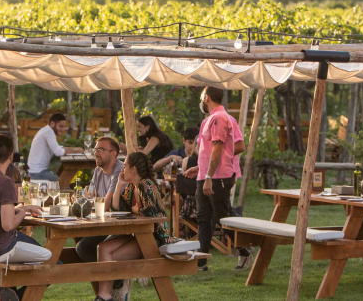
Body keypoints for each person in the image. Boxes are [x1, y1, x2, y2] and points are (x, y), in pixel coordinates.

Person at [94, 152, 178, 301]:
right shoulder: (131, 187)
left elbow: (152, 212)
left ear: (133, 169)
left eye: (125, 166)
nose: (122, 169)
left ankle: (108, 294)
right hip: (137, 234)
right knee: (103, 248)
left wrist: (135, 210)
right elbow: (117, 208)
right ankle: (104, 295)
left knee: (111, 257)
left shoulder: (147, 184)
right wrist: (119, 183)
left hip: (153, 238)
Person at [0, 133, 48, 301]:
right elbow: (8, 225)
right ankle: (11, 290)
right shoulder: (5, 182)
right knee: (51, 263)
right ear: (11, 155)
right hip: (2, 247)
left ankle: (9, 288)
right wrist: (23, 213)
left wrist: (21, 207)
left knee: (38, 258)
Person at [194, 86, 252, 272]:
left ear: (207, 98)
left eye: (202, 97)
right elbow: (207, 151)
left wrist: (211, 173)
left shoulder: (221, 118)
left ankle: (244, 250)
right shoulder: (208, 120)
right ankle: (201, 263)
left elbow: (220, 149)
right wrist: (199, 168)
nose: (201, 101)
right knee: (203, 218)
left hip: (217, 177)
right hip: (205, 175)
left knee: (222, 217)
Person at [74, 137, 125, 264]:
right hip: (103, 221)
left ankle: (115, 281)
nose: (95, 153)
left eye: (100, 150)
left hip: (121, 225)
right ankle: (109, 279)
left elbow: (105, 205)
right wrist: (94, 200)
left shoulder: (120, 171)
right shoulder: (98, 171)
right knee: (78, 238)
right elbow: (88, 200)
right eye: (95, 149)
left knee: (83, 247)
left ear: (113, 153)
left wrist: (95, 200)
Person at [27, 113, 81, 181]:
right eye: (61, 126)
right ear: (52, 123)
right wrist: (77, 150)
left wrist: (77, 149)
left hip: (37, 171)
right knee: (63, 185)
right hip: (37, 173)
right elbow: (58, 152)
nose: (63, 129)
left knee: (63, 183)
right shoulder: (48, 132)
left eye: (64, 127)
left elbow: (59, 148)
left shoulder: (47, 131)